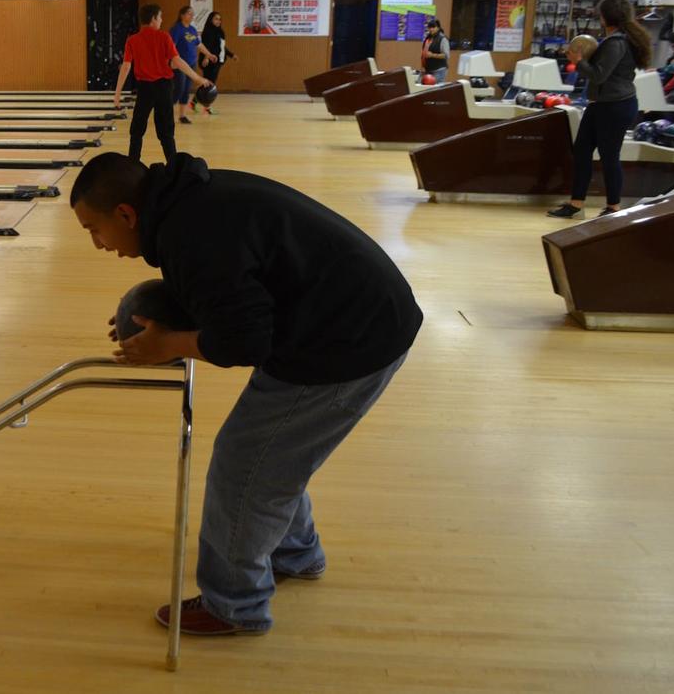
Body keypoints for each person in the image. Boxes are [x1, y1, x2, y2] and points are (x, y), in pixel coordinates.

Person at [70, 151, 422, 636]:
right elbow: (229, 291)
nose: (96, 243)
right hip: (339, 315)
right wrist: (155, 323)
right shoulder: (184, 203)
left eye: (94, 229)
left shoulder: (192, 236)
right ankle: (294, 553)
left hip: (346, 340)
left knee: (244, 466)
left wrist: (168, 344)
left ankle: (235, 605)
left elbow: (244, 341)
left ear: (126, 214)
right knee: (272, 457)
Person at [547, 0, 651, 219]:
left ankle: (613, 207)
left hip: (615, 106)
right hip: (602, 105)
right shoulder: (617, 40)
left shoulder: (617, 42)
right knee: (582, 152)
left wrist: (578, 61)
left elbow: (599, 75)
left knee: (609, 156)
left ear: (605, 17)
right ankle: (576, 203)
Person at [114, 4, 210, 163]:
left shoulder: (133, 40)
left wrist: (117, 94)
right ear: (153, 19)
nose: (161, 20)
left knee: (137, 130)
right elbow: (177, 61)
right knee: (166, 132)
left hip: (144, 89)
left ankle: (132, 165)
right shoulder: (164, 37)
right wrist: (197, 78)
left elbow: (125, 67)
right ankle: (172, 165)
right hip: (164, 87)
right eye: (159, 17)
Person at [169, 5, 218, 124]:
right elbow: (171, 47)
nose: (192, 16)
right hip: (180, 65)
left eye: (192, 14)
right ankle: (166, 113)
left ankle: (182, 115)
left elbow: (198, 45)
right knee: (178, 89)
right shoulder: (176, 29)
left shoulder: (192, 29)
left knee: (186, 90)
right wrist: (171, 61)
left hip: (191, 63)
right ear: (182, 15)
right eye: (189, 13)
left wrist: (209, 54)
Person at [195, 11, 239, 115]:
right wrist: (206, 57)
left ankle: (194, 103)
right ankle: (207, 107)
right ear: (211, 20)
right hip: (210, 61)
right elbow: (206, 46)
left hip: (218, 61)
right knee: (209, 85)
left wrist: (231, 55)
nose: (218, 21)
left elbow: (222, 47)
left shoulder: (220, 32)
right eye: (216, 19)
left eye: (219, 19)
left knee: (207, 84)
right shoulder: (208, 31)